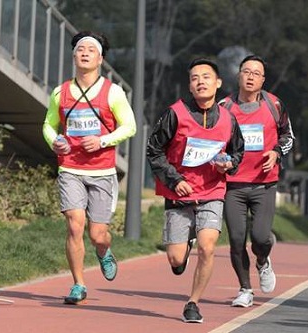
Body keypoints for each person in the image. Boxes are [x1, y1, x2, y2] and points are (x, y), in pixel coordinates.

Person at [146, 58, 245, 323]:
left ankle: (193, 303)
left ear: (218, 83)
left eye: (206, 77)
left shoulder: (228, 118)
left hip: (212, 191)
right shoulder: (174, 114)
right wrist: (174, 179)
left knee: (208, 246)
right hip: (179, 193)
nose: (200, 82)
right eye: (194, 78)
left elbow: (238, 152)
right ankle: (182, 252)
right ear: (189, 86)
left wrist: (229, 165)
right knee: (176, 259)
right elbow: (154, 150)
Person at [42, 31, 136, 304]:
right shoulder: (60, 92)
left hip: (102, 170)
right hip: (69, 167)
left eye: (90, 50)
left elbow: (129, 126)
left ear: (101, 58)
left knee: (97, 234)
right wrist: (55, 141)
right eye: (80, 49)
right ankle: (78, 284)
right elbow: (49, 124)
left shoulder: (113, 92)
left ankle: (104, 251)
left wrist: (103, 140)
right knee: (74, 225)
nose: (84, 53)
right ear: (74, 55)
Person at [219, 55, 294, 308]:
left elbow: (288, 136)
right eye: (246, 71)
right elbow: (214, 140)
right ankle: (244, 289)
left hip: (264, 184)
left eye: (256, 73)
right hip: (234, 185)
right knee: (237, 239)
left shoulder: (274, 105)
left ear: (263, 79)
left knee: (261, 238)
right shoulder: (224, 107)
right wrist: (221, 160)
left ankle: (263, 260)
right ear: (238, 75)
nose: (250, 76)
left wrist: (276, 152)